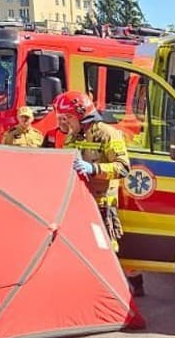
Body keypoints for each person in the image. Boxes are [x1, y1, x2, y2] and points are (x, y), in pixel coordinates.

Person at [51, 90, 141, 296]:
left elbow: (123, 168)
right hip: (80, 203)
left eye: (67, 118)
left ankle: (120, 291)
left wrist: (95, 169)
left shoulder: (108, 134)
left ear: (82, 115)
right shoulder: (72, 136)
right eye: (62, 119)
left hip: (102, 205)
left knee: (107, 250)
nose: (64, 123)